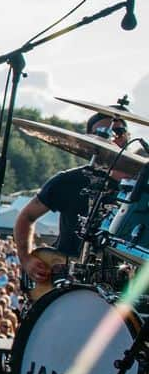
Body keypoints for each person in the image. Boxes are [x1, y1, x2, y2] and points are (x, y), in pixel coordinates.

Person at [15, 109, 132, 285]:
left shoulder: (140, 189)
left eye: (119, 131)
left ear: (128, 136)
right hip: (65, 279)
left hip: (117, 283)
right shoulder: (68, 181)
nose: (112, 137)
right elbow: (27, 216)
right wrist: (26, 258)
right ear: (89, 139)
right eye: (102, 133)